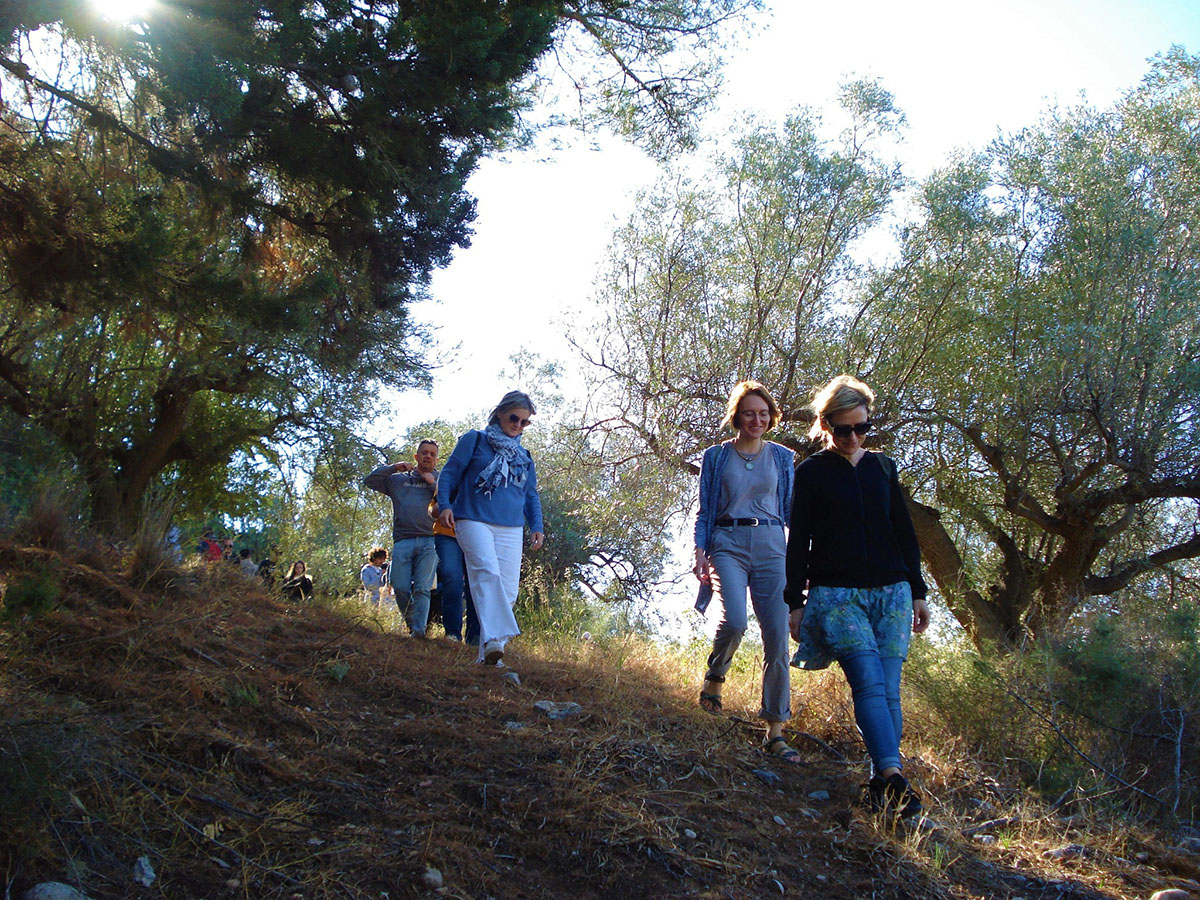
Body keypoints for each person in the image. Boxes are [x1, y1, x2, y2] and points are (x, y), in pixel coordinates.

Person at [786, 374, 930, 819]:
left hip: (892, 594)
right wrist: (795, 601)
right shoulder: (810, 473)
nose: (853, 437)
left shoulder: (884, 468)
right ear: (825, 425)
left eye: (861, 428)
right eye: (844, 428)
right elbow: (799, 541)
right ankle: (894, 775)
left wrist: (919, 591)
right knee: (867, 680)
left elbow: (904, 532)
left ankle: (881, 780)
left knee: (888, 691)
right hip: (835, 595)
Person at [693, 380, 799, 762]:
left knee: (776, 637)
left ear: (771, 417)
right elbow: (706, 508)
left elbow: (792, 513)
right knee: (735, 621)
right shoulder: (717, 457)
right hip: (728, 543)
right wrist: (700, 550)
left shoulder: (783, 458)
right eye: (750, 412)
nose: (757, 419)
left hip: (773, 548)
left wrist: (803, 560)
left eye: (764, 413)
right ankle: (715, 677)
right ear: (736, 415)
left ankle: (775, 729)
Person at [437, 391, 544, 665]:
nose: (518, 425)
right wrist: (445, 504)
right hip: (472, 519)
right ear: (500, 412)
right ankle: (495, 641)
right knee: (486, 571)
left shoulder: (524, 456)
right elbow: (449, 473)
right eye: (514, 418)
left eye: (524, 422)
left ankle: (489, 656)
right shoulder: (475, 440)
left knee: (508, 590)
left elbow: (530, 494)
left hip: (511, 526)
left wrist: (537, 525)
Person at [363, 440, 440, 637]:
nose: (428, 456)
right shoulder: (398, 479)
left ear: (436, 459)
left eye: (432, 454)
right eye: (424, 453)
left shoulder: (440, 479)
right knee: (400, 586)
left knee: (423, 588)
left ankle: (419, 631)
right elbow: (370, 480)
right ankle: (412, 623)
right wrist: (394, 467)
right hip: (402, 539)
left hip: (429, 540)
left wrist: (433, 484)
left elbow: (454, 501)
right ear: (416, 457)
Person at [433, 510, 481, 645]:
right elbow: (433, 509)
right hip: (446, 534)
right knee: (452, 577)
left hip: (476, 534)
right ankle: (452, 633)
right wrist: (444, 508)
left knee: (475, 583)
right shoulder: (444, 487)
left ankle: (475, 636)